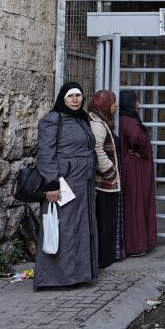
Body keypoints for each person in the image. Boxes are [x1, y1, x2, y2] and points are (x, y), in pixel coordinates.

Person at [33, 82, 98, 288]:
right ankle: (57, 278)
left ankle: (78, 274)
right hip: (64, 184)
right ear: (63, 98)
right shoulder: (52, 120)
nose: (75, 100)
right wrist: (51, 184)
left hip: (83, 184)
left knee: (80, 228)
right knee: (64, 228)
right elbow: (45, 153)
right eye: (70, 96)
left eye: (78, 95)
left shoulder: (81, 119)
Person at [88, 90, 125, 268]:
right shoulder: (97, 124)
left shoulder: (101, 121)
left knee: (107, 220)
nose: (116, 105)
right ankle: (104, 258)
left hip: (106, 183)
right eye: (113, 102)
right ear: (105, 104)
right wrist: (110, 172)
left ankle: (107, 256)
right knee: (104, 221)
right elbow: (97, 150)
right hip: (104, 184)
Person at [119, 91, 157, 256]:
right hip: (135, 168)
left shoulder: (125, 119)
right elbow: (136, 136)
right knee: (136, 203)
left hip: (135, 166)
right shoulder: (129, 121)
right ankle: (136, 244)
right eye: (136, 100)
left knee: (137, 203)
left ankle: (139, 242)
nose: (139, 104)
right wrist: (139, 150)